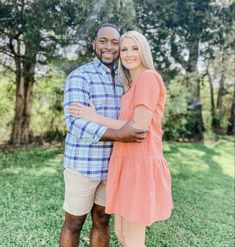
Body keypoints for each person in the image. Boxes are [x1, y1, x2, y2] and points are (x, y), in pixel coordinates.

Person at [70, 31, 173, 247]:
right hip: (123, 161)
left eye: (134, 48)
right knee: (122, 233)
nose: (128, 54)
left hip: (139, 162)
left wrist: (96, 118)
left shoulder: (148, 78)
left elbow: (138, 127)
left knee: (134, 240)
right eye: (124, 49)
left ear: (143, 50)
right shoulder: (130, 85)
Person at [59, 24, 147, 247]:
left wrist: (123, 133)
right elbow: (75, 123)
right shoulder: (79, 76)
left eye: (115, 43)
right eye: (103, 41)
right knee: (74, 223)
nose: (109, 46)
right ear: (94, 45)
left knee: (102, 219)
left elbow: (135, 120)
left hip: (113, 166)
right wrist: (120, 134)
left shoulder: (125, 81)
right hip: (82, 164)